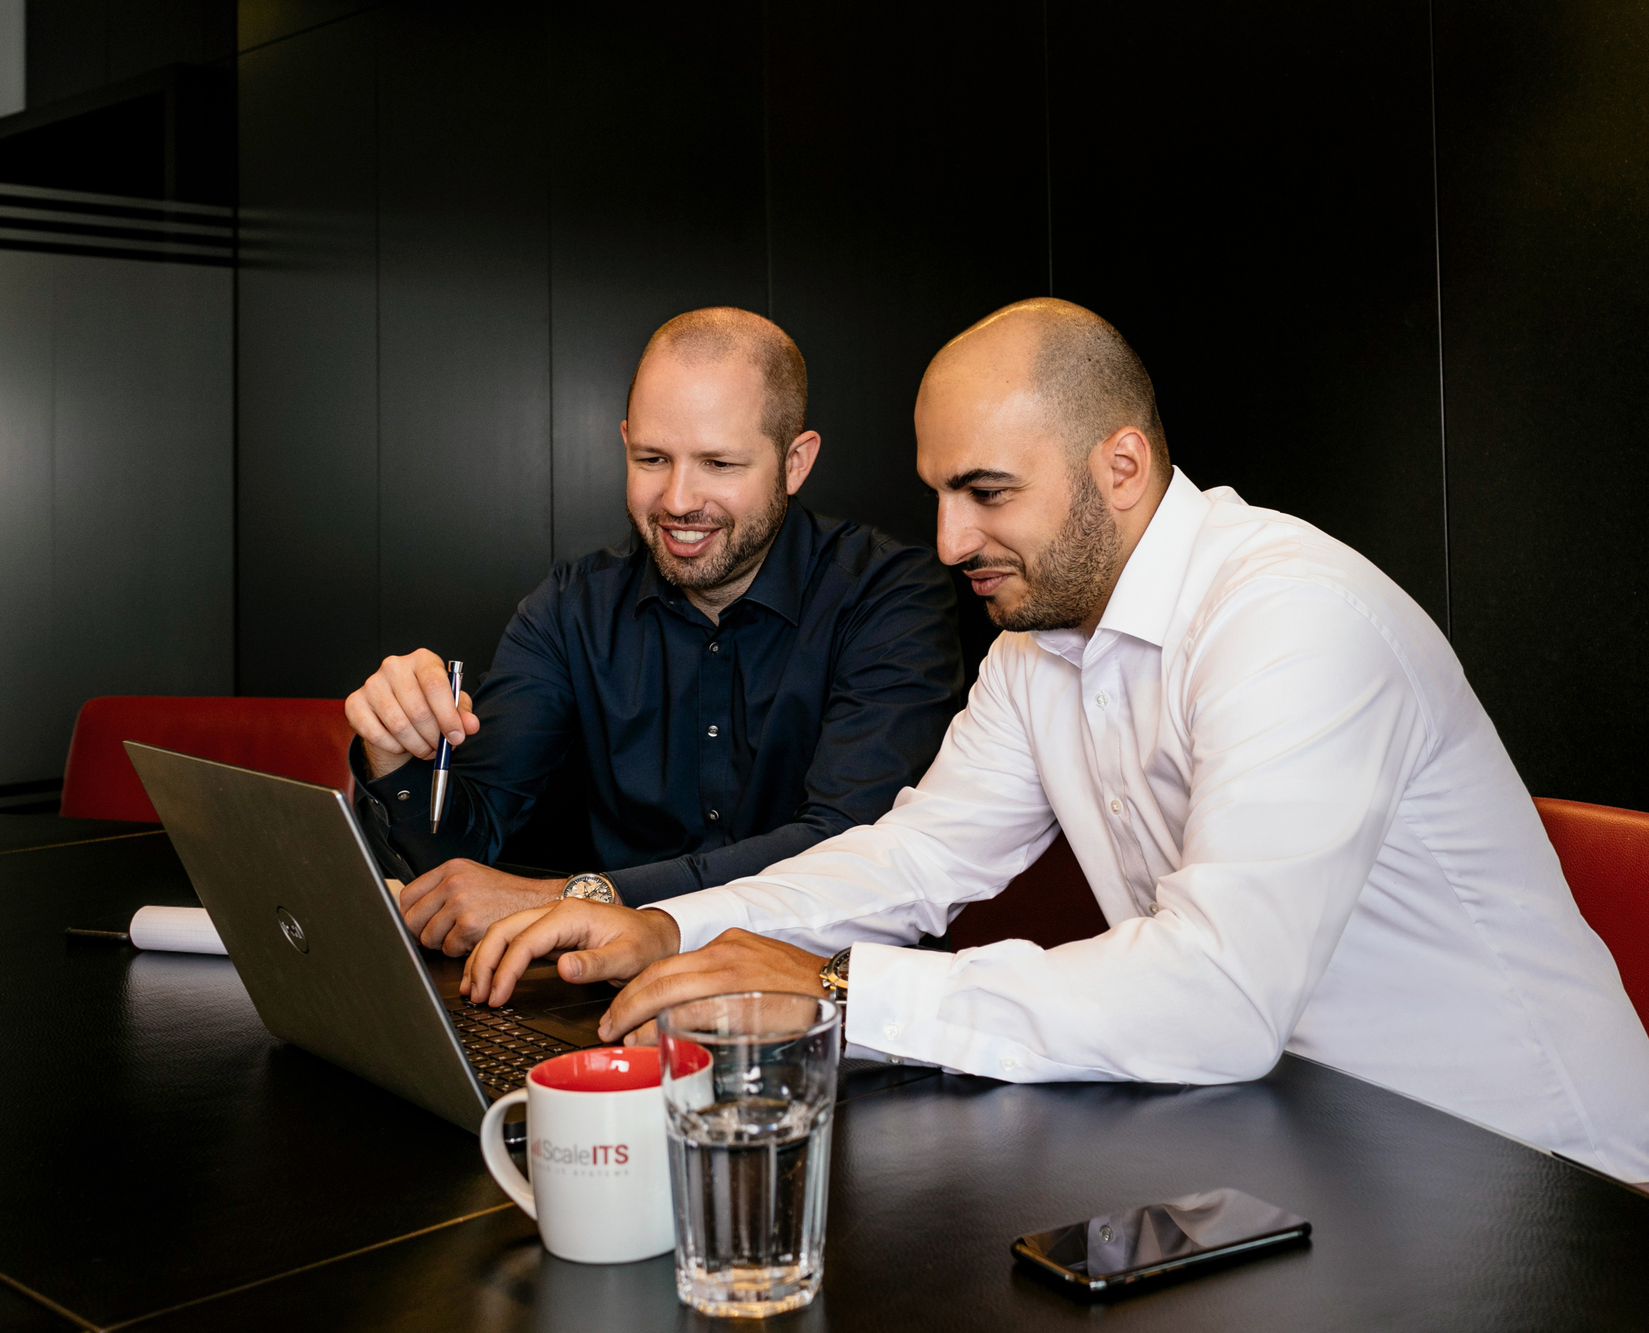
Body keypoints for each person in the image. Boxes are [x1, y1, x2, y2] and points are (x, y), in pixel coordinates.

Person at [466, 298, 1649, 1181]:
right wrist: (668, 927)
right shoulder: (1037, 647)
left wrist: (832, 988)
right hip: (1310, 1149)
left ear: (1120, 465)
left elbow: (1215, 997)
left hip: (1545, 1182)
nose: (945, 538)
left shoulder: (1293, 618)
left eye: (986, 492)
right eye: (938, 493)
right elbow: (910, 859)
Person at [345, 307, 964, 955]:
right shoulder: (569, 608)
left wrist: (580, 896)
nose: (676, 499)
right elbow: (459, 863)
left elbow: (846, 848)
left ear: (795, 463)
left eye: (719, 464)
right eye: (652, 457)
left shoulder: (890, 593)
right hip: (603, 1005)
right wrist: (395, 750)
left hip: (826, 1003)